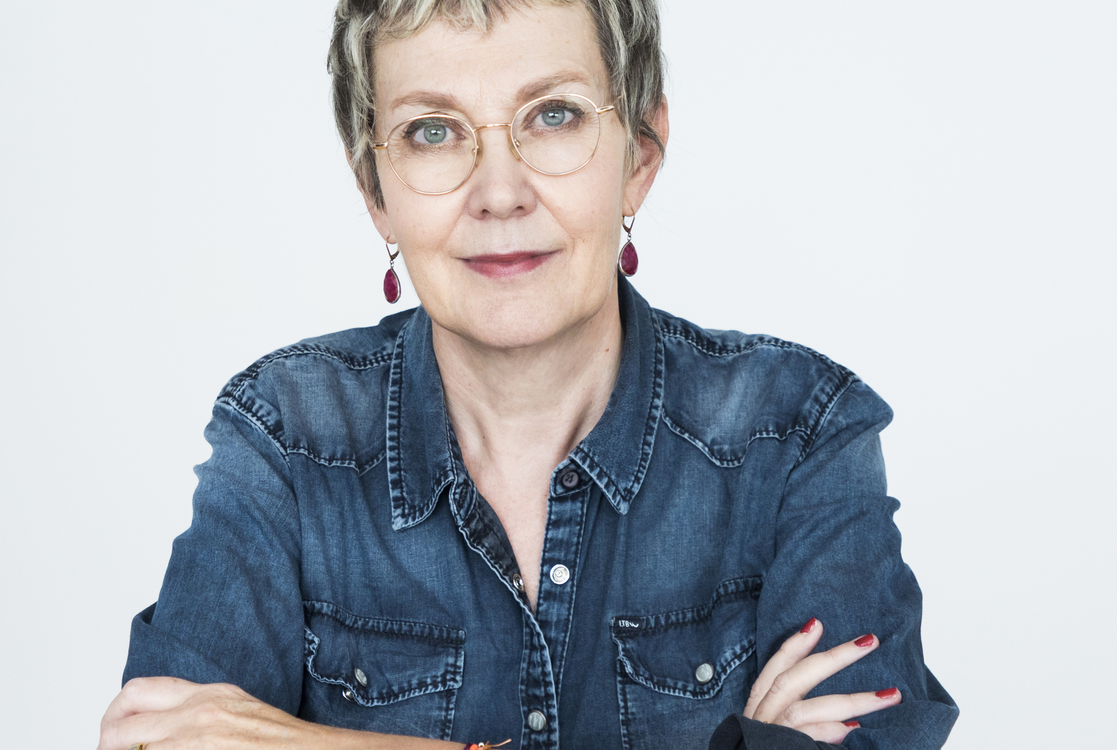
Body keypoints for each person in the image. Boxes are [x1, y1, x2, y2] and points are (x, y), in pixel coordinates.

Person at [100, 1, 958, 748]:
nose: (499, 192)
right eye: (432, 131)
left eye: (553, 116)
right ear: (375, 190)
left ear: (640, 154)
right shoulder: (288, 439)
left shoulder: (798, 434)